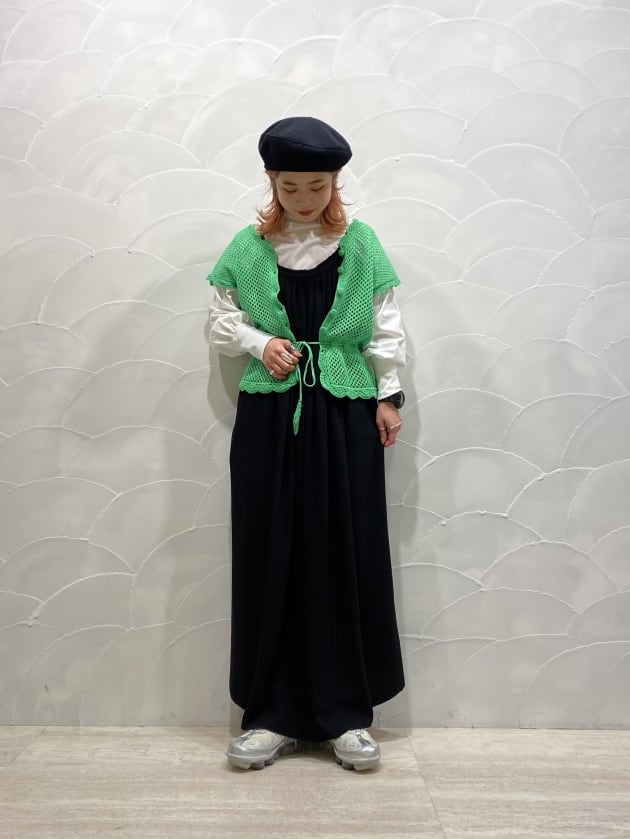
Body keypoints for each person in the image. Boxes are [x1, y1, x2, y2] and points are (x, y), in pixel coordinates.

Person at [206, 116, 406, 772]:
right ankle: (271, 715)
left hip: (345, 413)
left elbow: (385, 322)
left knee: (346, 549)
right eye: (289, 186)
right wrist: (258, 341)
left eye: (316, 187)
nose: (303, 199)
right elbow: (220, 318)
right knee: (270, 549)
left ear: (335, 182)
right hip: (270, 414)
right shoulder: (248, 246)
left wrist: (389, 394)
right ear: (271, 180)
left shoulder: (361, 243)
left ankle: (347, 715)